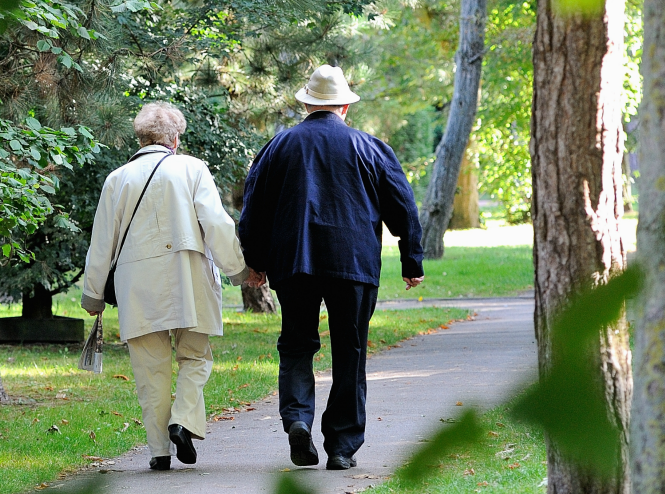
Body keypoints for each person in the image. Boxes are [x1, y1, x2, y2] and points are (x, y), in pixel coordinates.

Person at [238, 65, 424, 470]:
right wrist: (412, 258)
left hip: (294, 262)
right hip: (352, 262)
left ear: (306, 103)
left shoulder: (279, 145)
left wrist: (256, 262)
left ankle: (298, 419)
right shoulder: (370, 147)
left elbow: (253, 209)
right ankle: (341, 446)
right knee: (350, 351)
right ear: (345, 107)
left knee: (296, 345)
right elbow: (402, 205)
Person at [82, 102, 258, 471]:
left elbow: (102, 243)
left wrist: (93, 294)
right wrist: (240, 272)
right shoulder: (191, 168)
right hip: (189, 277)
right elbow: (217, 225)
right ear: (175, 138)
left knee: (150, 371)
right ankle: (183, 420)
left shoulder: (117, 179)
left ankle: (159, 451)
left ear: (140, 137)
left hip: (137, 286)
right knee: (195, 357)